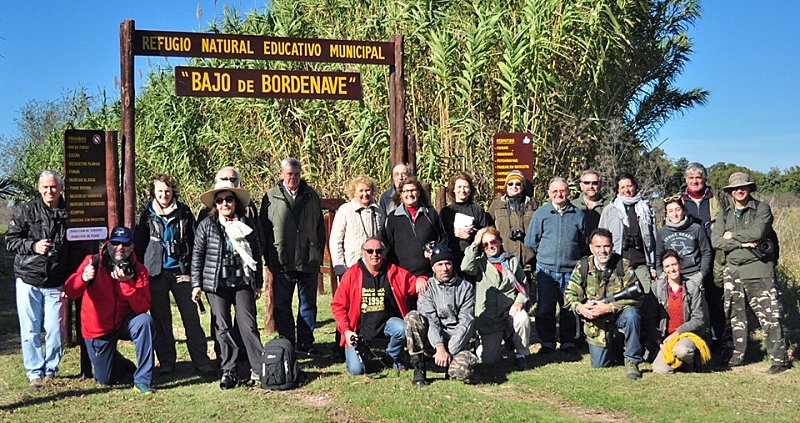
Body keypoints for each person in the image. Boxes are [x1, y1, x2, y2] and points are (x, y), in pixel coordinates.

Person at [133, 174, 212, 376]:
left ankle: (201, 361)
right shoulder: (146, 215)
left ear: (172, 191)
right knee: (161, 319)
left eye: (167, 191)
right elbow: (139, 246)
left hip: (181, 270)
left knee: (190, 317)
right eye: (160, 191)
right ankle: (167, 362)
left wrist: (195, 273)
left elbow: (195, 243)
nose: (164, 194)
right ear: (154, 192)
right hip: (155, 272)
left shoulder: (184, 212)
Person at [711, 172, 790, 374]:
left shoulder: (761, 209)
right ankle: (735, 358)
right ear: (730, 192)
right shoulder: (724, 214)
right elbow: (716, 241)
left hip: (759, 270)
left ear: (749, 189)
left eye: (743, 187)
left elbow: (758, 233)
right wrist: (743, 243)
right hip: (733, 272)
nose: (739, 190)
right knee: (734, 317)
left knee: (770, 315)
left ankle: (779, 359)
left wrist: (732, 238)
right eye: (735, 188)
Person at [64, 227, 155, 394]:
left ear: (132, 247)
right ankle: (122, 364)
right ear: (108, 243)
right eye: (115, 243)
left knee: (145, 322)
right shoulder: (93, 262)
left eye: (125, 244)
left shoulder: (139, 269)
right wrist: (83, 278)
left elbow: (143, 307)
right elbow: (70, 291)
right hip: (98, 329)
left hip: (124, 322)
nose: (119, 248)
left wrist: (127, 284)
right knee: (105, 380)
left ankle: (143, 380)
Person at [193, 182, 264, 388]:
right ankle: (228, 369)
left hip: (242, 280)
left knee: (248, 325)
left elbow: (257, 254)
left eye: (229, 199)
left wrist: (257, 282)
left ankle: (259, 368)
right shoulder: (207, 224)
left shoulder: (246, 223)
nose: (225, 204)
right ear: (215, 204)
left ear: (235, 202)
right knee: (222, 327)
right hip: (217, 283)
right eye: (220, 200)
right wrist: (196, 284)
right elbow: (197, 255)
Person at [6, 170, 71, 390]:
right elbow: (11, 241)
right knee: (30, 329)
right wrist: (33, 246)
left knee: (55, 329)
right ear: (39, 188)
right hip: (28, 278)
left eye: (53, 186)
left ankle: (51, 369)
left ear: (60, 188)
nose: (49, 191)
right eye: (45, 187)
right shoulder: (26, 211)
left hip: (56, 280)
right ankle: (34, 373)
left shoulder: (70, 212)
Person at [330, 238, 425, 375]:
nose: (374, 254)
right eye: (370, 251)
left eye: (379, 251)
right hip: (359, 331)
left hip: (386, 324)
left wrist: (422, 279)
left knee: (403, 328)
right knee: (356, 370)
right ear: (363, 253)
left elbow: (413, 283)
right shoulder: (351, 275)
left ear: (384, 253)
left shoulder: (393, 271)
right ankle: (362, 353)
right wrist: (346, 330)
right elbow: (337, 305)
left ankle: (390, 357)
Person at [261, 158, 325, 356]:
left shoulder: (311, 195)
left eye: (296, 174)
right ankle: (287, 343)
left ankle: (306, 343)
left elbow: (319, 228)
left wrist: (317, 252)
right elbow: (264, 229)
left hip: (307, 258)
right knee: (282, 304)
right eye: (289, 174)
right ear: (282, 174)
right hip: (282, 259)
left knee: (308, 304)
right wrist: (269, 257)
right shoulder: (270, 197)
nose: (293, 178)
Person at [564, 228, 644, 380]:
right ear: (591, 248)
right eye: (598, 247)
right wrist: (581, 308)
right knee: (600, 365)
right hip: (597, 325)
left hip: (619, 316)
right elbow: (569, 295)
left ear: (612, 246)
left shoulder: (623, 265)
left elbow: (637, 296)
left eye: (606, 246)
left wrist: (610, 307)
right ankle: (615, 346)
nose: (603, 251)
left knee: (632, 315)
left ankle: (632, 360)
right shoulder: (583, 266)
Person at [525, 177, 585, 354]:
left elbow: (584, 241)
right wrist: (545, 257)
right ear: (549, 193)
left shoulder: (578, 214)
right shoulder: (542, 214)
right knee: (545, 308)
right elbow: (531, 242)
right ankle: (548, 342)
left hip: (570, 271)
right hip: (546, 271)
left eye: (563, 191)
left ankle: (567, 342)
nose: (559, 194)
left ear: (568, 192)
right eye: (555, 191)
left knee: (568, 308)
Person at [405, 246, 477, 386]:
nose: (444, 268)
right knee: (412, 317)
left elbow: (466, 322)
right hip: (433, 342)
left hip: (456, 343)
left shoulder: (466, 288)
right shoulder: (427, 288)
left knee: (463, 372)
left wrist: (449, 350)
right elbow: (431, 319)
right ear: (433, 268)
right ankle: (419, 368)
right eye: (440, 264)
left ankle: (446, 366)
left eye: (448, 263)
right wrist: (439, 347)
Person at [461, 227, 531, 370]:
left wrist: (519, 302)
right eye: (485, 244)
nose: (490, 246)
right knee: (489, 360)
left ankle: (521, 355)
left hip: (509, 310)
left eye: (493, 242)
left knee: (522, 318)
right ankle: (480, 344)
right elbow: (465, 267)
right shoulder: (479, 263)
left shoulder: (511, 261)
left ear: (499, 242)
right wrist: (475, 242)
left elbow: (523, 286)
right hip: (490, 317)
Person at [681, 162, 727, 355]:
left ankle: (718, 342)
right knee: (689, 301)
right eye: (691, 178)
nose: (695, 181)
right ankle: (692, 342)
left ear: (704, 179)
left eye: (698, 178)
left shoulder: (717, 199)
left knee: (715, 299)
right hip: (689, 258)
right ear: (686, 180)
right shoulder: (679, 201)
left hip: (715, 255)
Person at [649, 250, 710, 374]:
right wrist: (658, 340)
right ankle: (679, 363)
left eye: (674, 264)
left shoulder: (692, 287)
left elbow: (698, 319)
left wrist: (677, 333)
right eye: (667, 266)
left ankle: (689, 362)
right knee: (660, 370)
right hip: (665, 339)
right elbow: (649, 318)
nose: (671, 269)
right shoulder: (656, 287)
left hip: (685, 335)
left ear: (680, 265)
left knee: (682, 351)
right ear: (663, 269)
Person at [599, 172, 656, 292]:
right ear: (618, 189)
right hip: (618, 264)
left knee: (647, 298)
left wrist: (653, 267)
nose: (627, 190)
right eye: (623, 187)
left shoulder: (646, 208)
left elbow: (654, 237)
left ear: (635, 186)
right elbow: (601, 238)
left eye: (629, 186)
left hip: (641, 263)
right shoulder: (610, 209)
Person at [383, 176, 447, 277]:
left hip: (428, 275)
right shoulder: (393, 218)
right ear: (401, 194)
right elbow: (387, 246)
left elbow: (442, 238)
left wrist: (434, 252)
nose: (410, 194)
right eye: (406, 191)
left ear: (419, 192)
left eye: (413, 190)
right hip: (402, 276)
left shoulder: (430, 214)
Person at [330, 175, 386, 277]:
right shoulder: (345, 210)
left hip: (374, 267)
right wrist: (340, 266)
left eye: (368, 190)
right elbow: (336, 240)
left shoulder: (379, 211)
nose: (365, 194)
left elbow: (382, 239)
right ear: (354, 192)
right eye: (361, 191)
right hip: (351, 265)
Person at [440, 172, 493, 272]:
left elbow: (487, 234)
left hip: (474, 258)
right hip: (452, 258)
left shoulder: (478, 210)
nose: (462, 190)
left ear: (470, 190)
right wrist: (456, 234)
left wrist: (470, 236)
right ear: (453, 189)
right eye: (459, 187)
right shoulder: (446, 212)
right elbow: (441, 235)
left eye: (466, 187)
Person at [487, 170, 537, 276]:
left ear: (523, 186)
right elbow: (488, 229)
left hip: (527, 261)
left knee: (525, 292)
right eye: (510, 184)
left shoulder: (532, 204)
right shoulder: (496, 205)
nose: (514, 186)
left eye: (518, 184)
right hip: (503, 259)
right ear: (506, 186)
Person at [655, 195, 711, 284]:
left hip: (693, 276)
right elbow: (658, 256)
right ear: (666, 214)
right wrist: (661, 275)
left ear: (684, 210)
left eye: (678, 210)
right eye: (670, 211)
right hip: (671, 277)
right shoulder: (662, 232)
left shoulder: (696, 229)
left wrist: (701, 274)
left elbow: (706, 252)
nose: (675, 214)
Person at [571, 169, 607, 237]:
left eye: (594, 183)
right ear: (581, 185)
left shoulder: (608, 206)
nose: (591, 186)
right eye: (587, 183)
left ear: (600, 185)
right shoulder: (572, 206)